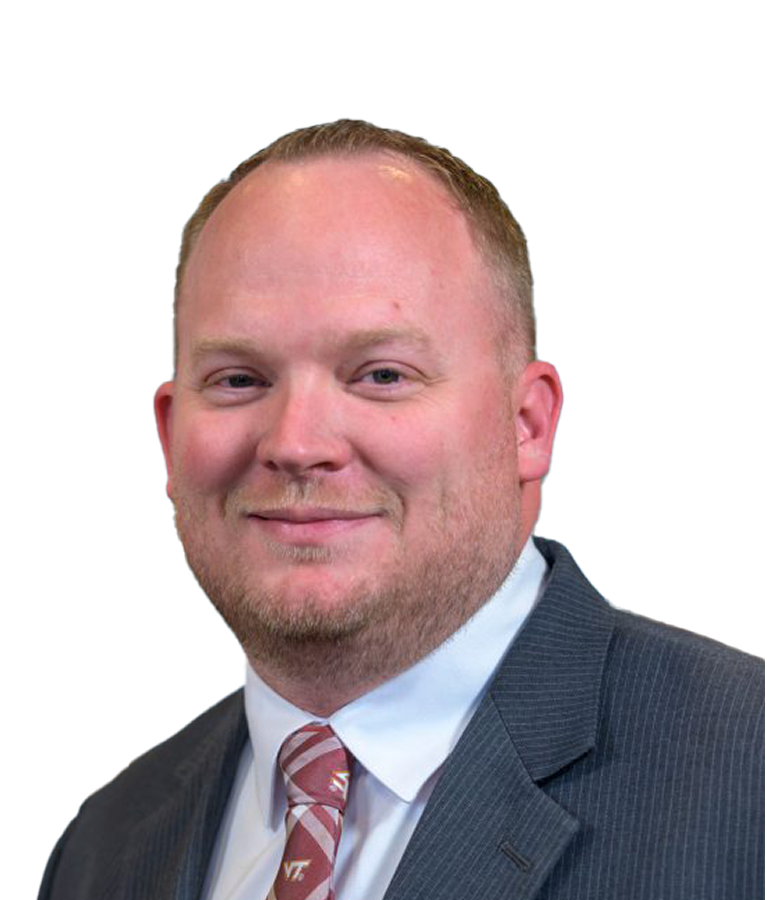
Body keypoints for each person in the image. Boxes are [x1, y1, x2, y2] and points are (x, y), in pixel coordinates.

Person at [38, 120, 764, 900]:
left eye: (381, 375)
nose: (297, 444)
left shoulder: (747, 772)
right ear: (169, 434)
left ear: (528, 425)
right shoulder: (106, 847)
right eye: (239, 380)